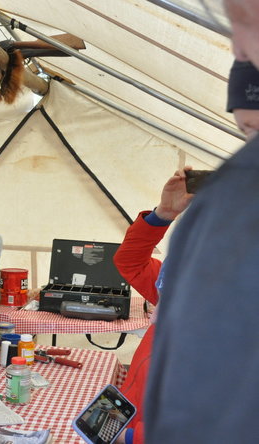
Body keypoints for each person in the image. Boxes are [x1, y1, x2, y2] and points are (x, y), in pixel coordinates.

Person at [144, 1, 259, 442]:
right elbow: (132, 266)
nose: (236, 43)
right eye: (245, 134)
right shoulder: (173, 271)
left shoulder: (230, 214)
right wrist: (162, 216)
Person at [112, 168, 193, 444]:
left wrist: (133, 437)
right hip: (133, 416)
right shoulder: (180, 291)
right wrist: (163, 215)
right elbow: (130, 262)